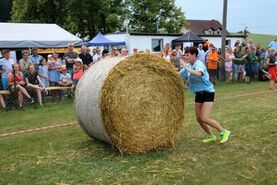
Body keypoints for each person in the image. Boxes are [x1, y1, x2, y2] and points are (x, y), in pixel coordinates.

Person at [179, 46, 231, 143]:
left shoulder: (199, 64)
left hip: (208, 93)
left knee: (204, 118)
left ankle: (224, 131)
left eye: (187, 54)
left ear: (194, 55)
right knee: (199, 119)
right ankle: (211, 136)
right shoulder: (189, 66)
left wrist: (185, 67)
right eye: (184, 55)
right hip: (199, 94)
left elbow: (199, 73)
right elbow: (177, 74)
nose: (185, 57)